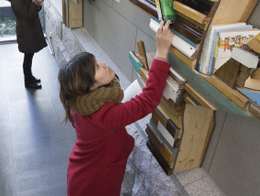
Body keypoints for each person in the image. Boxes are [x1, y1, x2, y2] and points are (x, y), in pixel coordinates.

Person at [58, 20, 174, 196]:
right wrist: (162, 51)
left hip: (83, 175)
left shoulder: (80, 103)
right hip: (96, 184)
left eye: (97, 62)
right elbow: (148, 101)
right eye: (97, 67)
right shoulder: (104, 118)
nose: (104, 64)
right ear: (90, 87)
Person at [4, 0, 47, 89]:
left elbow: (30, 11)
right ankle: (28, 81)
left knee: (30, 55)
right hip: (26, 30)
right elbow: (27, 15)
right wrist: (34, 2)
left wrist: (37, 5)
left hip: (30, 29)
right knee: (28, 56)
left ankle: (30, 77)